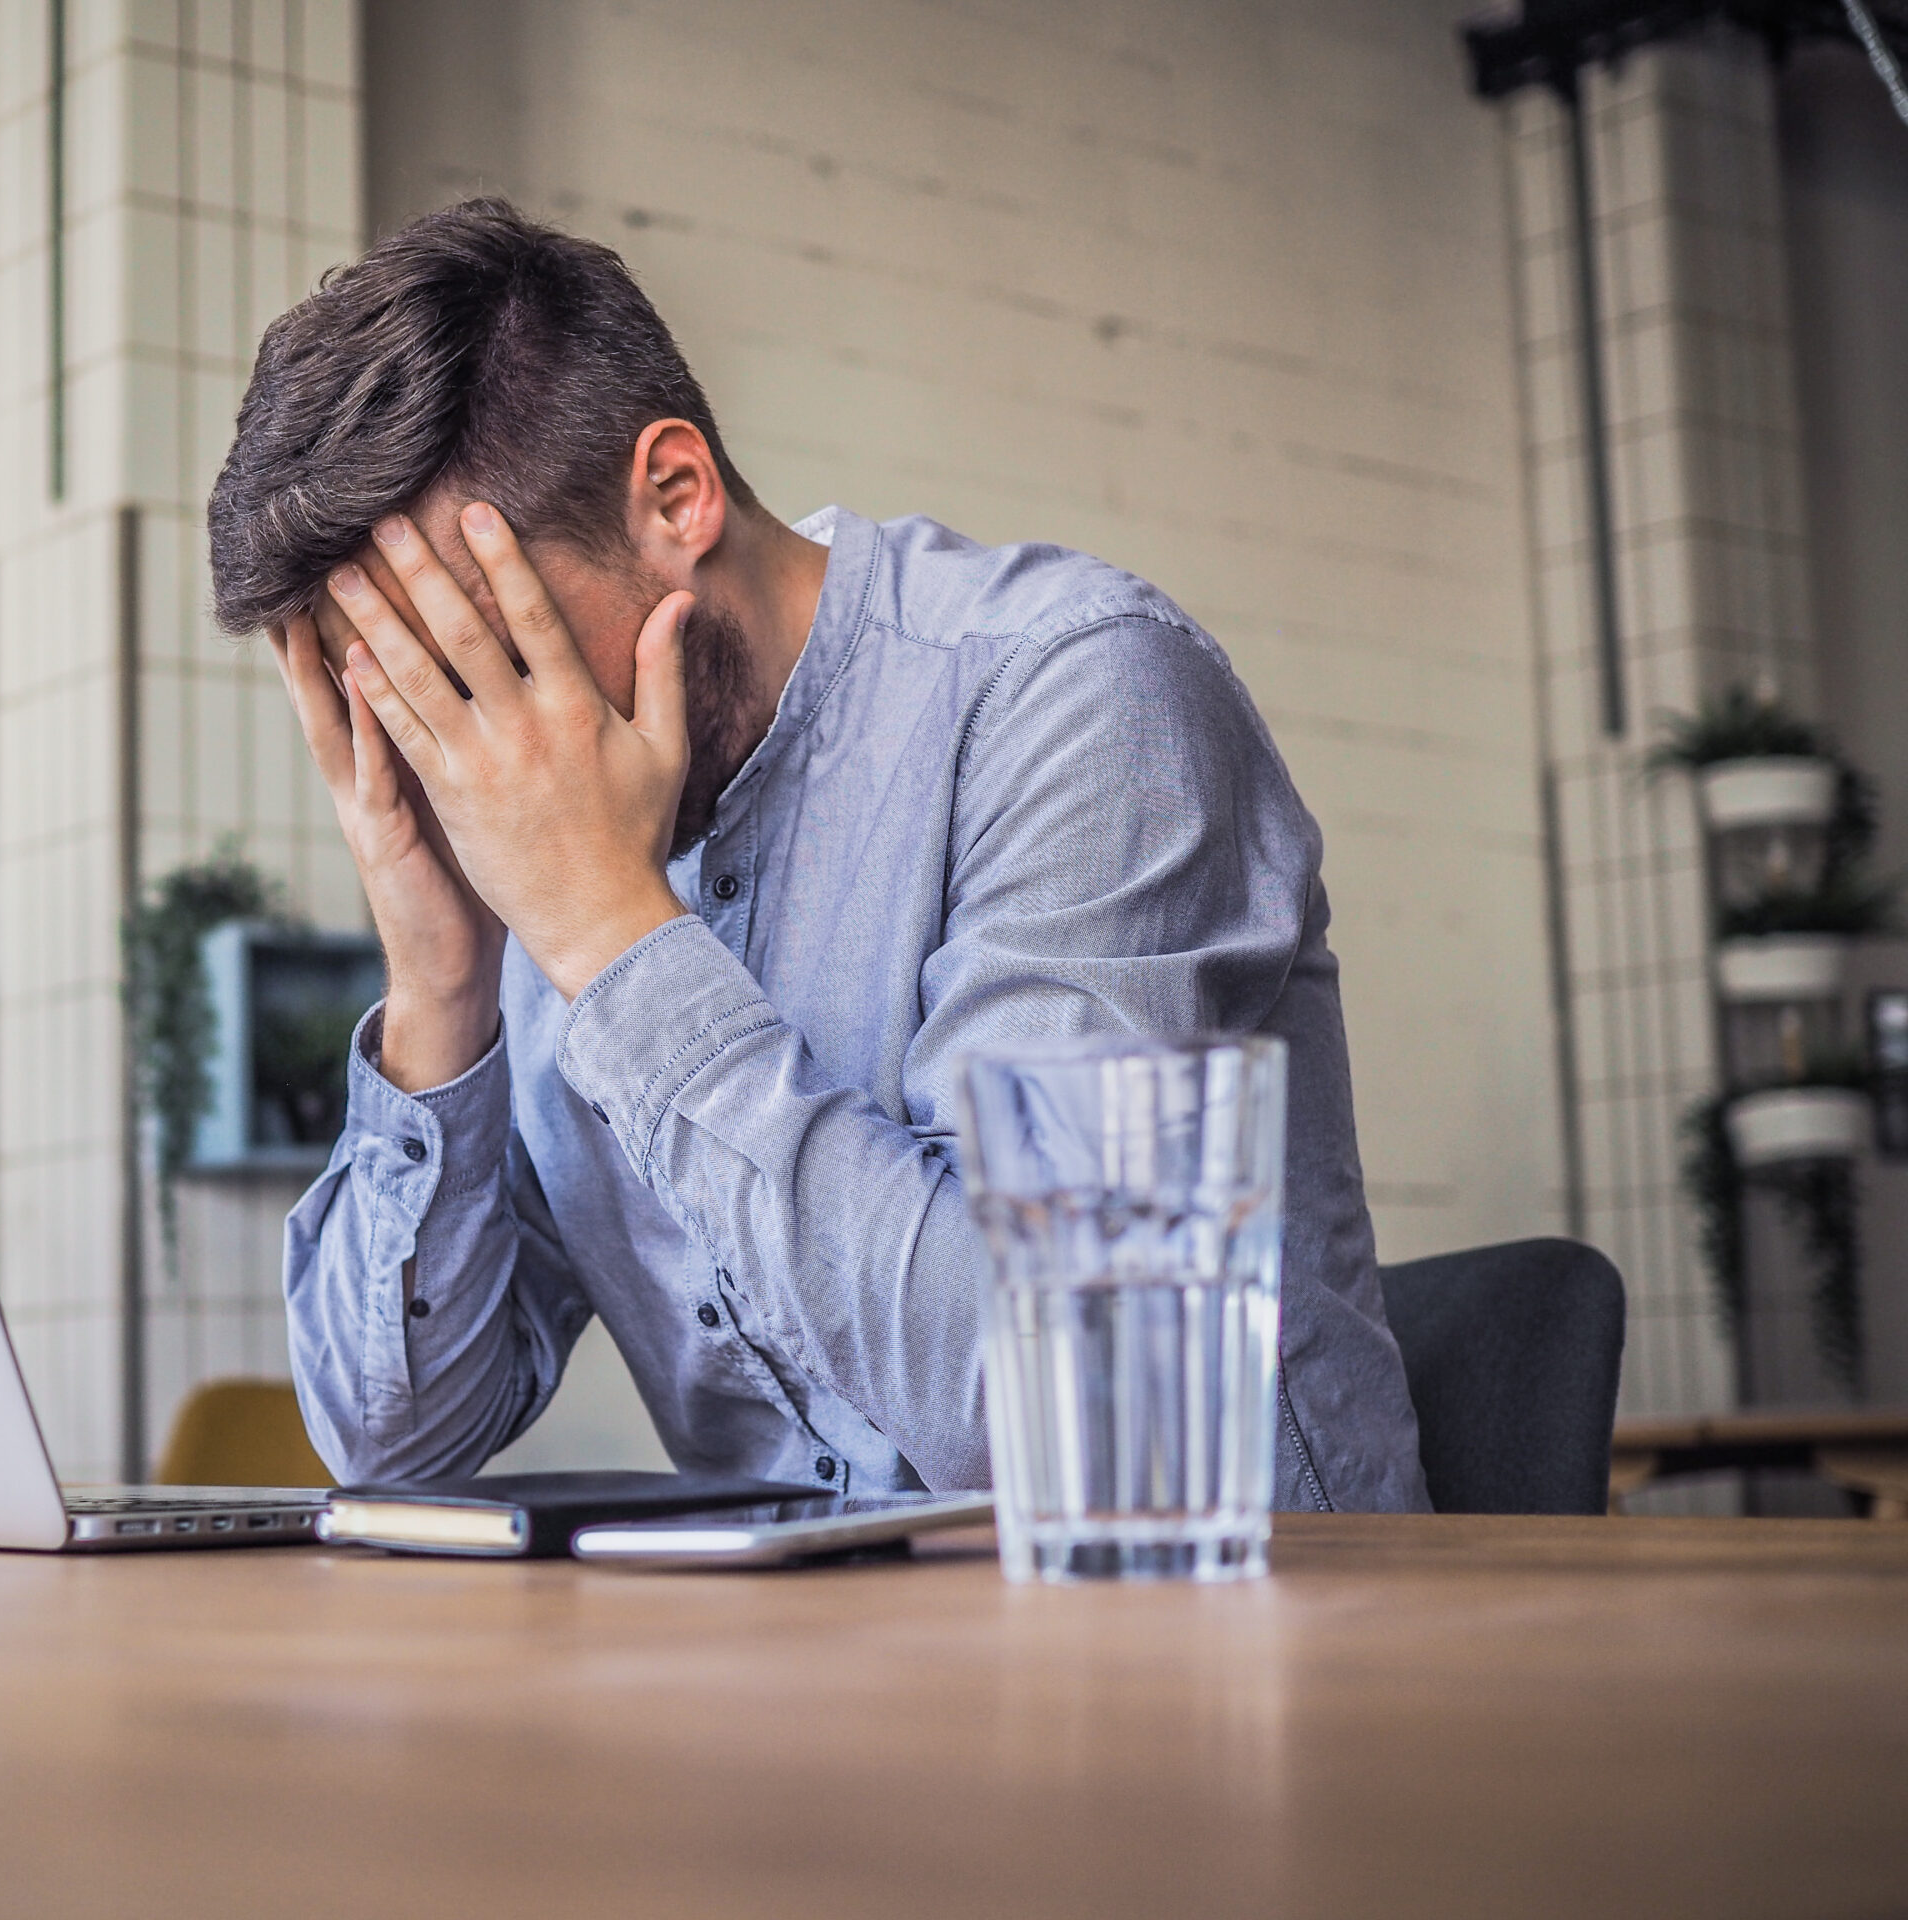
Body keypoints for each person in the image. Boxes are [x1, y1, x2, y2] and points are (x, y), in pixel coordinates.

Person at [207, 199, 1428, 1511]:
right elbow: (392, 1443)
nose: (472, 750)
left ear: (674, 496)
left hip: (1233, 1657)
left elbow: (1047, 1416)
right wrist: (442, 971)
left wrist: (616, 939)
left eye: (489, 655)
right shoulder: (525, 863)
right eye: (404, 694)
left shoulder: (1073, 695)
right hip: (826, 1682)